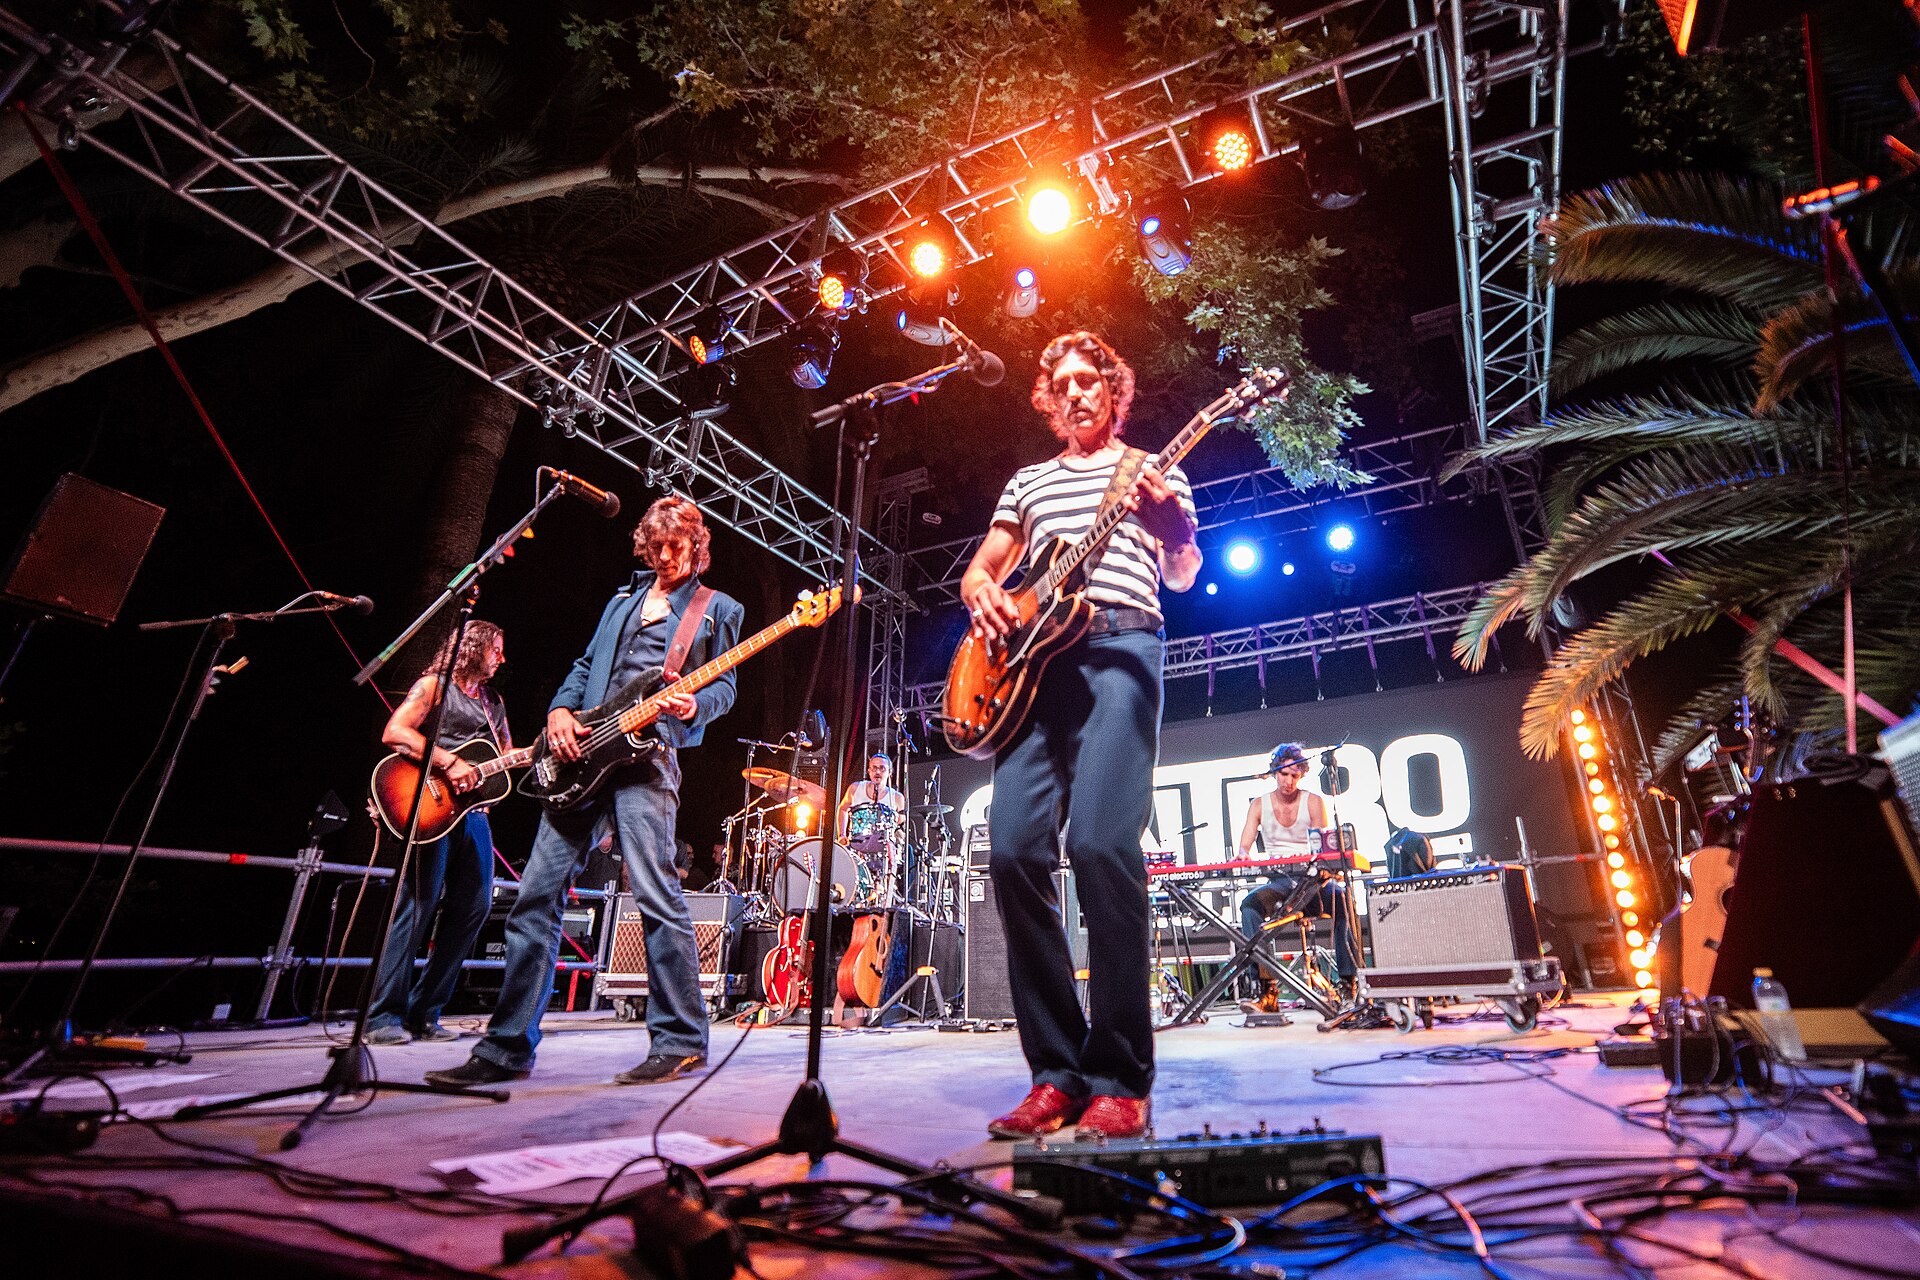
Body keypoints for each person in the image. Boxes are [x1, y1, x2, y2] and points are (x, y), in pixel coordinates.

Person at [962, 331, 1201, 1141]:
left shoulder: (1152, 471)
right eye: (1058, 383)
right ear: (1046, 398)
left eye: (1088, 379)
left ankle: (1121, 1078)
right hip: (1033, 671)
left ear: (1113, 390)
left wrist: (1170, 526)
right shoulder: (1027, 482)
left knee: (1102, 845)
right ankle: (1056, 1073)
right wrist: (978, 592)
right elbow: (983, 568)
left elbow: (1183, 572)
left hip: (1121, 649)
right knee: (1013, 851)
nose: (1073, 392)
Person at [427, 495, 742, 1087]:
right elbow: (583, 664)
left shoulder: (716, 607)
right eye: (659, 546)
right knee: (534, 898)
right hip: (578, 760)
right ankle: (505, 1048)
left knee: (656, 895)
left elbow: (725, 686)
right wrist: (559, 712)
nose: (669, 556)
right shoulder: (620, 601)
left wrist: (697, 702)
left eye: (680, 547)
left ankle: (679, 1041)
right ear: (647, 546)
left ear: (697, 548)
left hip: (647, 760)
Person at [366, 622, 510, 1046]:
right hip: (427, 804)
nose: (502, 658)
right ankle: (381, 1016)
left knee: (476, 905)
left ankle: (424, 1012)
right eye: (496, 649)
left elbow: (504, 754)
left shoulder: (493, 702)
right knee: (419, 904)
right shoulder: (434, 685)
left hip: (472, 814)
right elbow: (395, 732)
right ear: (473, 647)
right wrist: (449, 761)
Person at [1235, 742, 1360, 1006]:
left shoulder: (1313, 802)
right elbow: (1244, 846)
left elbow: (1322, 848)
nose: (1288, 780)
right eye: (1283, 774)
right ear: (1274, 772)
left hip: (1312, 881)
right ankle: (1267, 990)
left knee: (1344, 901)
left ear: (1301, 775)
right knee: (1249, 906)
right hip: (1280, 882)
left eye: (1294, 775)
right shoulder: (1259, 805)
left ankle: (1349, 983)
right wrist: (1243, 854)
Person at [836, 752, 905, 896]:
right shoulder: (855, 788)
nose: (877, 772)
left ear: (890, 772)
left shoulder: (897, 798)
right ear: (868, 771)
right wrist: (841, 835)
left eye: (882, 768)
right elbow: (842, 809)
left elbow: (901, 821)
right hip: (857, 843)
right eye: (874, 768)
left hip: (884, 847)